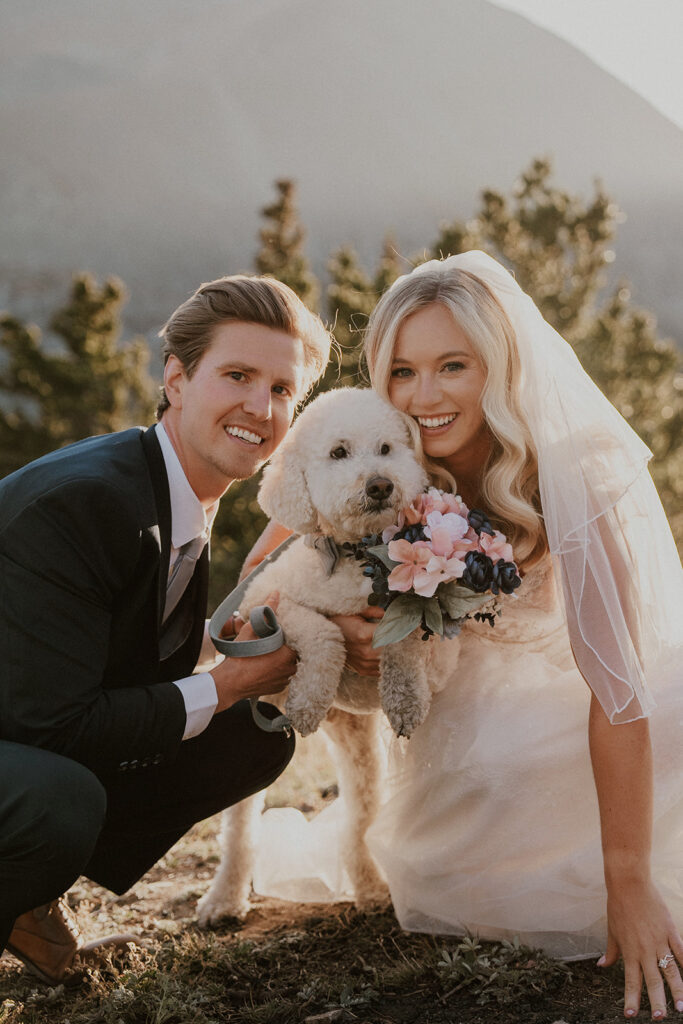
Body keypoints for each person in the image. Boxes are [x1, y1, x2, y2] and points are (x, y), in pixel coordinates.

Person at [245, 252, 683, 1021]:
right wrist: (333, 628)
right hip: (452, 733)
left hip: (585, 720)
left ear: (500, 367)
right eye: (402, 372)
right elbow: (259, 580)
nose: (425, 396)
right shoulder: (376, 453)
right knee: (481, 783)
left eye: (453, 366)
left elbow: (617, 690)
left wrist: (629, 880)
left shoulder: (562, 474)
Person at [0, 273, 332, 984]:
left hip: (20, 732)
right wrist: (225, 680)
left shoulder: (176, 493)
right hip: (25, 746)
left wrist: (234, 654)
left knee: (252, 734)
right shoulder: (88, 503)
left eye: (281, 390)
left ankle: (24, 898)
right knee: (58, 801)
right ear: (176, 378)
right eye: (237, 375)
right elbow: (51, 726)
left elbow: (114, 661)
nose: (259, 406)